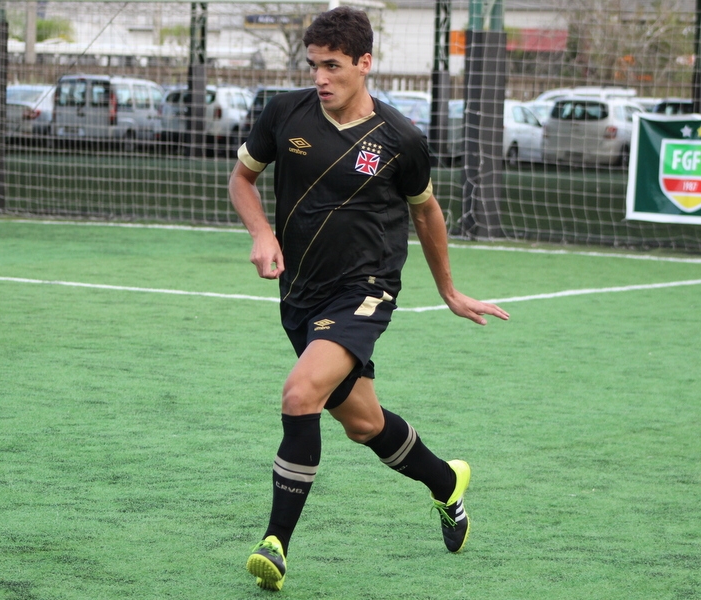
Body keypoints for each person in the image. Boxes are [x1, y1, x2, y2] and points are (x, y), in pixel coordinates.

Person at [228, 6, 509, 592]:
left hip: (365, 290)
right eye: (313, 65)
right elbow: (242, 179)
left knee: (300, 393)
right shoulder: (284, 113)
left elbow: (426, 212)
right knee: (364, 424)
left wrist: (449, 291)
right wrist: (261, 233)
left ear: (364, 63)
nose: (320, 78)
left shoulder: (400, 138)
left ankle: (275, 545)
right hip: (299, 293)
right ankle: (446, 483)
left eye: (332, 66)